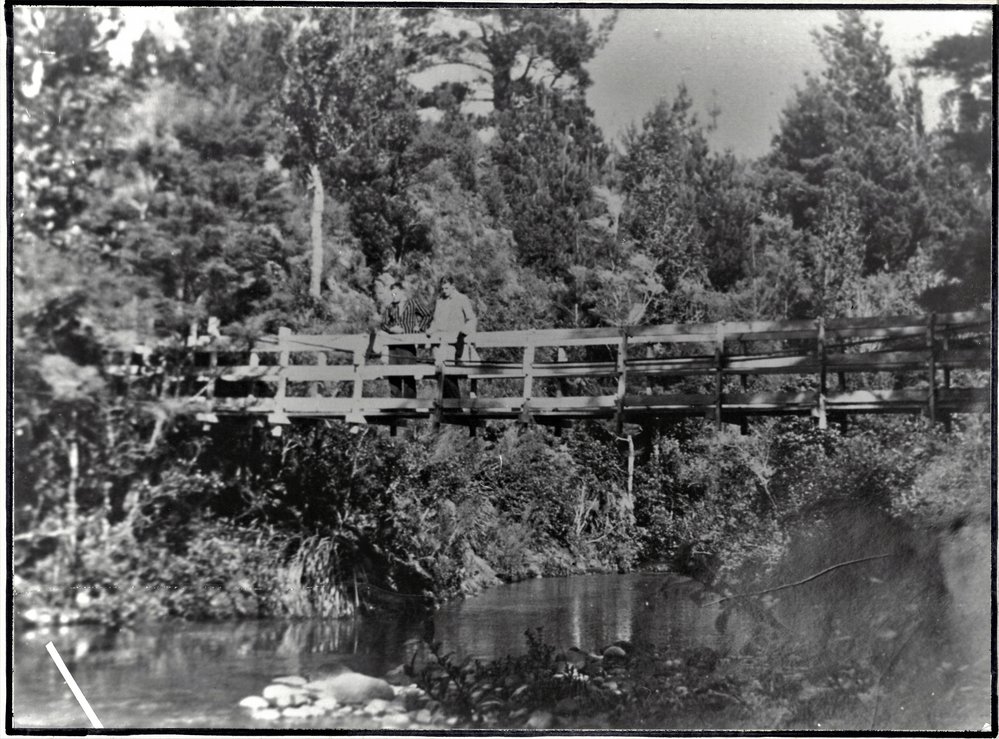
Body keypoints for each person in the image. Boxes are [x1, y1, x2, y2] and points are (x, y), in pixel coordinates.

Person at [379, 280, 432, 399]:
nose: (394, 296)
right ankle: (395, 403)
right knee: (394, 374)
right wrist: (392, 329)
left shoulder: (412, 303)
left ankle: (410, 404)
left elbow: (427, 314)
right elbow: (383, 324)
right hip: (393, 344)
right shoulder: (390, 307)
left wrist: (420, 327)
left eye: (396, 293)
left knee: (408, 373)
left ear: (402, 292)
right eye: (392, 294)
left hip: (408, 344)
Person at [428, 275, 478, 399]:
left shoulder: (461, 299)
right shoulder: (440, 301)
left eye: (446, 288)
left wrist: (463, 333)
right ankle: (449, 408)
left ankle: (455, 407)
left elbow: (471, 319)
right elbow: (435, 320)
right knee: (441, 374)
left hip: (454, 343)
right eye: (442, 288)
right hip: (440, 344)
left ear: (453, 286)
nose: (444, 291)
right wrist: (430, 330)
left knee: (451, 374)